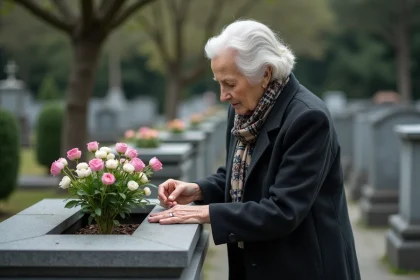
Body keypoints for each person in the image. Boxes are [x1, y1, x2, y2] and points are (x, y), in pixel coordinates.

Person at [148, 19, 361, 280]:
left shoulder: (308, 119)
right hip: (256, 264)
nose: (223, 95)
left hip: (305, 266)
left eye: (229, 83)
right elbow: (242, 173)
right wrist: (199, 190)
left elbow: (284, 210)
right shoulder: (244, 110)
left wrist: (207, 214)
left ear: (265, 74)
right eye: (219, 83)